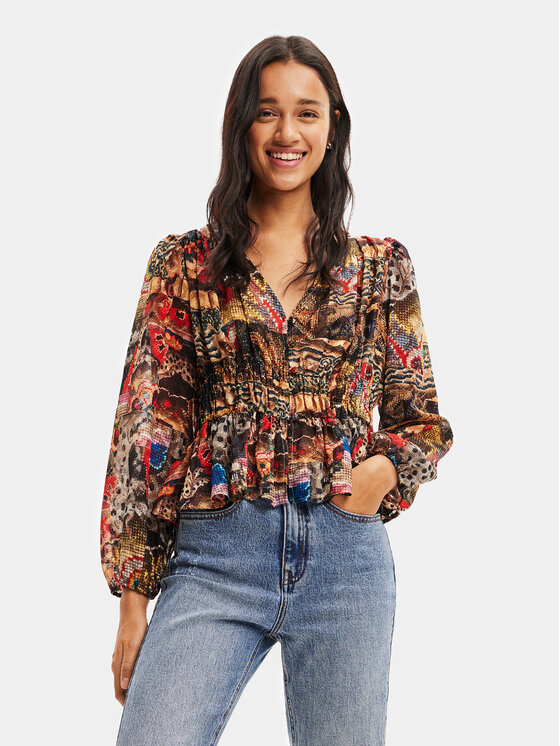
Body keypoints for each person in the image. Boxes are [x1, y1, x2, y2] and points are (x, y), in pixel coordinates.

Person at [101, 35, 454, 746]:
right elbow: (148, 429)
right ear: (242, 125)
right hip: (215, 557)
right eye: (267, 112)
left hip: (346, 560)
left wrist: (377, 478)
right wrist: (134, 600)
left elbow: (420, 420)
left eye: (307, 113)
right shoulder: (186, 266)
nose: (287, 132)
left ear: (333, 127)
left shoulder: (380, 269)